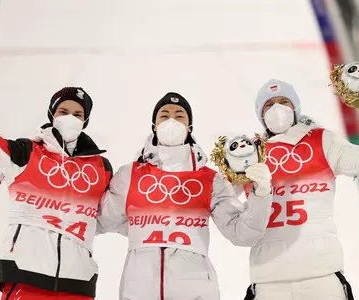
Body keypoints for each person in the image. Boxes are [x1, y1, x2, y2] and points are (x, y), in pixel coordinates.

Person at [0, 42, 113, 300]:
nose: (70, 117)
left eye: (78, 114)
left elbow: (120, 214)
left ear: (85, 121)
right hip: (25, 279)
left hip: (78, 286)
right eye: (64, 111)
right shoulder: (25, 154)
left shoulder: (100, 169)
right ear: (52, 114)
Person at [97, 92, 273, 300]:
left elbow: (243, 233)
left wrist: (261, 193)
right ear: (154, 125)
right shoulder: (129, 175)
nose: (171, 120)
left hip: (195, 291)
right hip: (139, 291)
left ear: (190, 127)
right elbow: (100, 221)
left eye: (179, 116)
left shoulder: (210, 180)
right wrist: (135, 225)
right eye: (164, 115)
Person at [241, 78, 359, 300]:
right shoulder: (246, 153)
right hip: (269, 282)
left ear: (295, 108)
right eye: (269, 104)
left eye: (284, 102)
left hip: (322, 277)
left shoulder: (322, 141)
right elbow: (216, 200)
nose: (277, 109)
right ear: (260, 114)